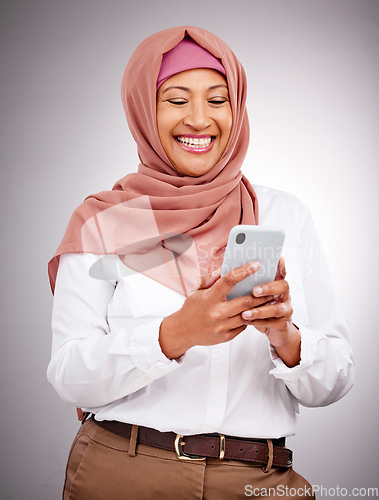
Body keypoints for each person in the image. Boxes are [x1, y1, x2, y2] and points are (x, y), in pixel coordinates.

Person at [47, 26, 354, 499]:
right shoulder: (104, 222)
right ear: (143, 110)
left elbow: (334, 380)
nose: (199, 119)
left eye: (217, 99)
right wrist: (174, 335)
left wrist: (284, 336)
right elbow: (70, 376)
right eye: (175, 99)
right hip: (124, 474)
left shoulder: (282, 214)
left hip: (259, 482)